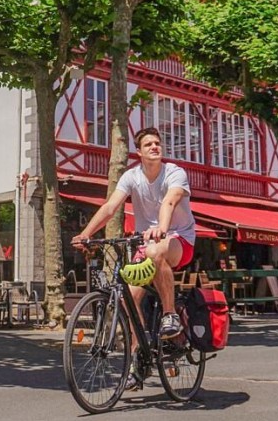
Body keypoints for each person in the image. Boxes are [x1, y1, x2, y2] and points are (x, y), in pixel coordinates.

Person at [71, 127, 197, 388]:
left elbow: (169, 202)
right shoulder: (131, 176)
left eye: (157, 143)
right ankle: (139, 357)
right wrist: (85, 234)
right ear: (138, 152)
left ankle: (170, 314)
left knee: (155, 251)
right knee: (128, 297)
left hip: (178, 240)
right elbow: (109, 207)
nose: (155, 147)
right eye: (148, 144)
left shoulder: (174, 172)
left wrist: (162, 228)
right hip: (146, 241)